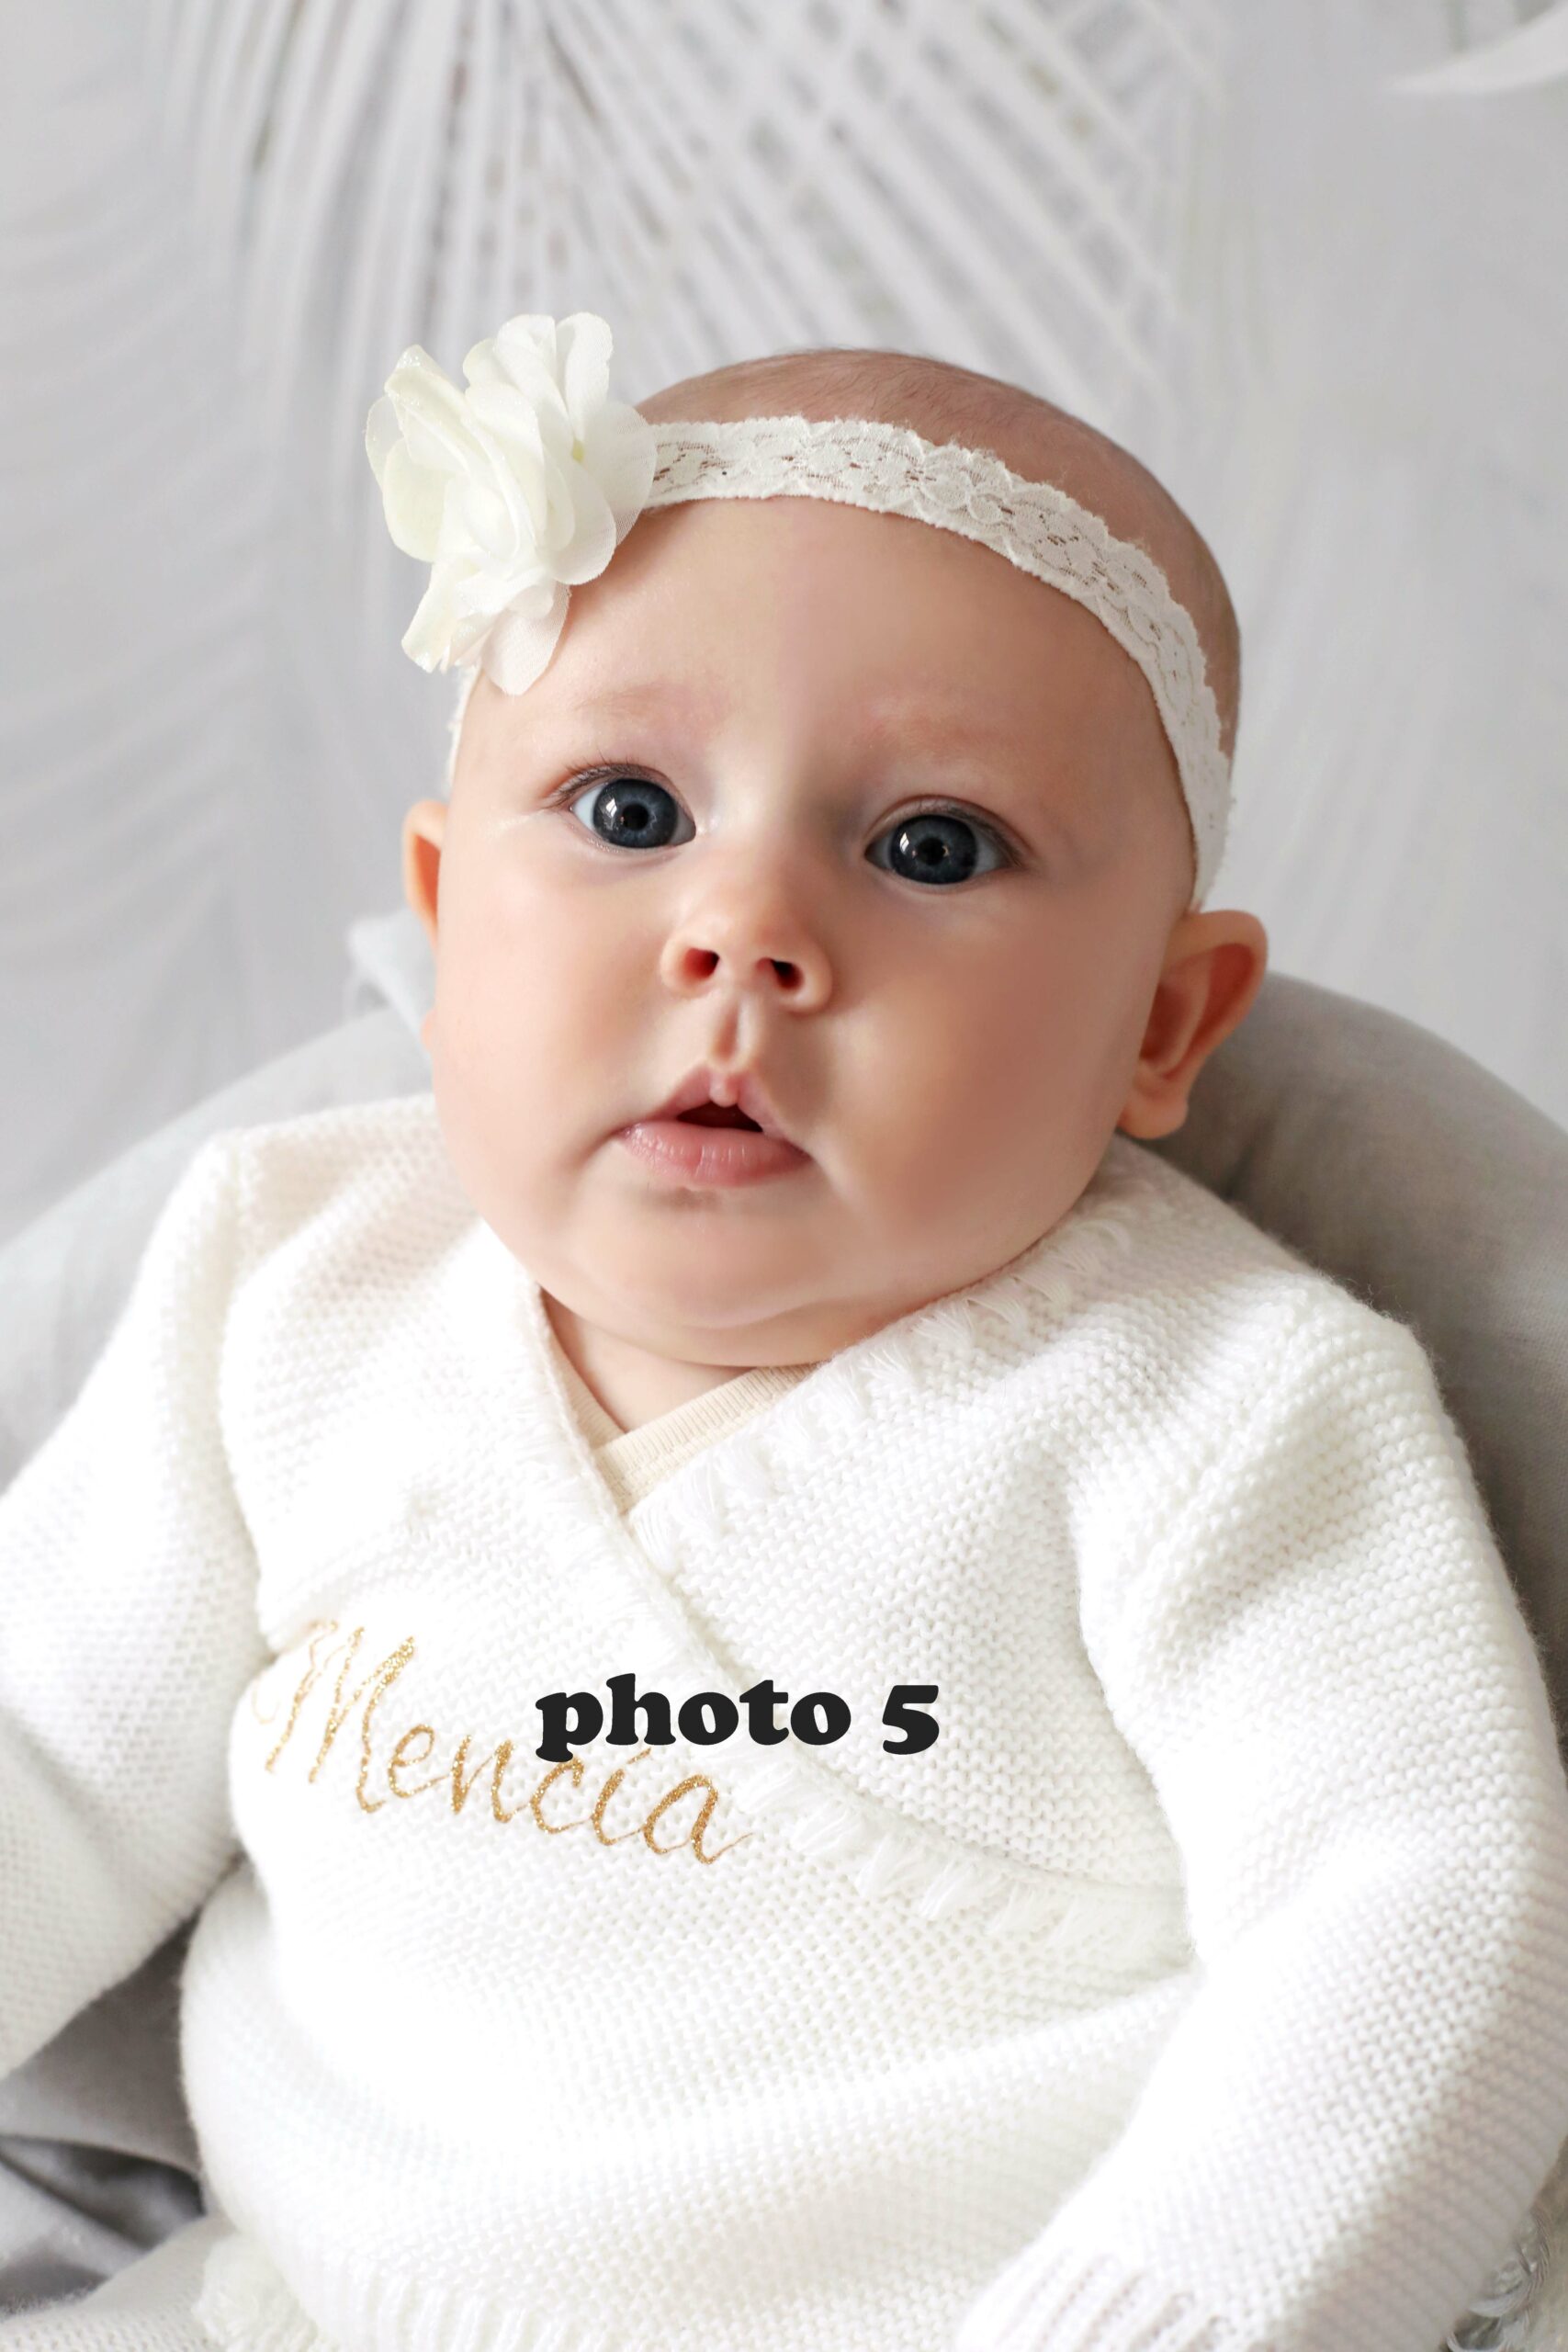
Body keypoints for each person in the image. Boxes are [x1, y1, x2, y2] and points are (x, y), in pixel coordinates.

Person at [2, 313, 1565, 2352]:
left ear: (1161, 1024)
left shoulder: (1214, 1405)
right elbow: (45, 1768)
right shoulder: (290, 1278)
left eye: (931, 846)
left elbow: (1416, 1913)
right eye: (628, 807)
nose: (743, 927)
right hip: (297, 2310)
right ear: (448, 916)